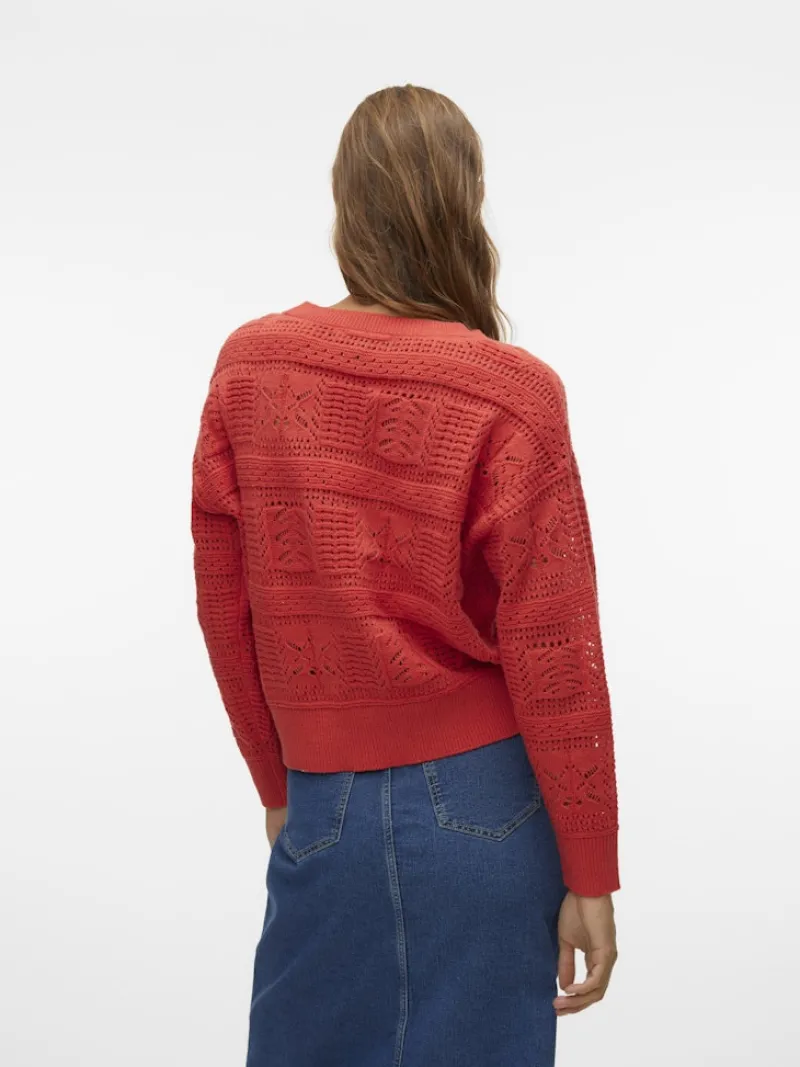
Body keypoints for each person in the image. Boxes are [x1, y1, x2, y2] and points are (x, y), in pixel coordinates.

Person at [191, 84, 620, 1067]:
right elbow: (555, 648)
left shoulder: (250, 369)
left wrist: (278, 780)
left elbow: (226, 605)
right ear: (465, 202)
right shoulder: (511, 390)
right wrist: (590, 868)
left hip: (322, 802)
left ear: (345, 203)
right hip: (489, 804)